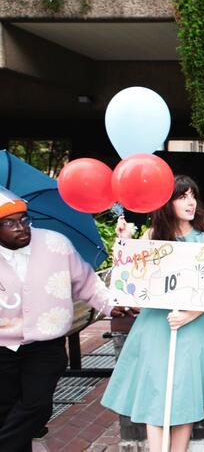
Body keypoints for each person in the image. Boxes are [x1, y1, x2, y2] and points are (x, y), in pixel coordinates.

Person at [102, 175, 204, 452]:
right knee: (156, 393)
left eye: (193, 195)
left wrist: (188, 315)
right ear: (166, 202)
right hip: (156, 325)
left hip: (193, 325)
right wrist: (124, 244)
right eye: (182, 196)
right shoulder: (151, 237)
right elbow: (131, 280)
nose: (190, 202)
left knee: (184, 393)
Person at [0, 186, 129, 452]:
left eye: (24, 220)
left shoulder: (54, 243)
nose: (21, 227)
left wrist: (109, 304)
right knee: (7, 410)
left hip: (45, 343)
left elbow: (86, 281)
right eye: (9, 223)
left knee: (36, 405)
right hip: (2, 347)